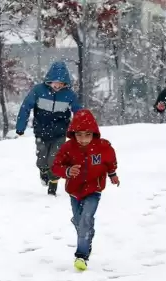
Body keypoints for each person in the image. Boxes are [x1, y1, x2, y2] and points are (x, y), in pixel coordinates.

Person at [51, 109, 120, 271]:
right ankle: (87, 233)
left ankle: (81, 255)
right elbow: (56, 166)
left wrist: (113, 174)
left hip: (94, 189)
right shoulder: (68, 147)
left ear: (94, 133)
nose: (83, 139)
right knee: (79, 220)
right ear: (73, 133)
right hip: (74, 191)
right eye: (79, 135)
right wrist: (67, 171)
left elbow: (110, 161)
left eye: (87, 135)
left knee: (85, 218)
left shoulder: (103, 147)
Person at [16, 61, 81, 196]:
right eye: (55, 82)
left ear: (65, 83)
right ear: (49, 80)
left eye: (61, 83)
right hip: (41, 131)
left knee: (55, 159)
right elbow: (26, 107)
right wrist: (20, 126)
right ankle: (43, 171)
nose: (57, 85)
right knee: (42, 158)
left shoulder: (69, 95)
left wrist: (81, 129)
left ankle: (53, 184)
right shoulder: (38, 91)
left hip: (60, 133)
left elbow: (79, 112)